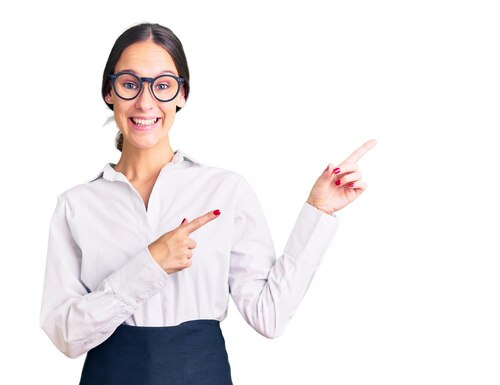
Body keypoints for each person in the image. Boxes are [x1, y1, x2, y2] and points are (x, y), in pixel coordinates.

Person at [39, 22, 377, 385]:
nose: (145, 101)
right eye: (130, 83)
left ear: (182, 94)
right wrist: (150, 264)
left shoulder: (224, 191)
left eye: (163, 85)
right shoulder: (76, 205)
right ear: (110, 91)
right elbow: (66, 337)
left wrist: (318, 212)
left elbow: (270, 317)